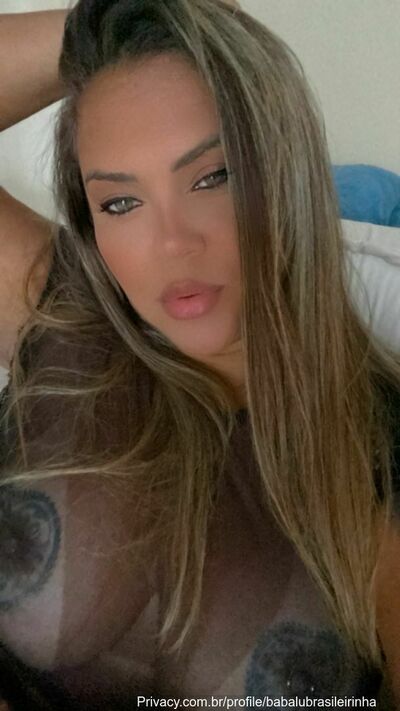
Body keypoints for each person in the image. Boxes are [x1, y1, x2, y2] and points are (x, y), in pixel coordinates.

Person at [0, 1, 400, 708]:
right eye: (120, 204)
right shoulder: (65, 318)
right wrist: (128, 11)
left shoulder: (381, 450)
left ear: (287, 170)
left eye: (213, 176)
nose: (173, 243)